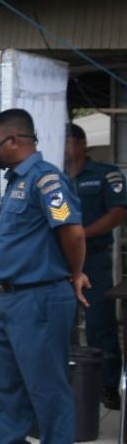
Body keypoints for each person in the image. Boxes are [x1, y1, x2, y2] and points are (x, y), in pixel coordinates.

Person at [0, 108, 88, 444]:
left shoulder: (45, 179)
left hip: (39, 296)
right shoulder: (16, 181)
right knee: (11, 382)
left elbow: (71, 231)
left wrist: (74, 272)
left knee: (46, 384)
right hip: (11, 297)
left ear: (15, 141)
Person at [64, 122, 126, 410]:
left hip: (95, 258)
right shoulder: (55, 176)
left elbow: (117, 213)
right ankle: (69, 381)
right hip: (60, 260)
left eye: (65, 142)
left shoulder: (104, 174)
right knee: (63, 322)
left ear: (79, 143)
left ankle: (108, 385)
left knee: (100, 323)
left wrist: (81, 236)